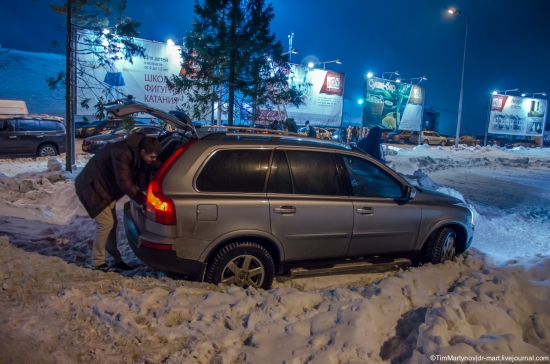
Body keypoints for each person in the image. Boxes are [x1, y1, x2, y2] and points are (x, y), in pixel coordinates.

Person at [75, 134, 162, 272]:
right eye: (152, 157)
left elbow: (145, 167)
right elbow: (125, 184)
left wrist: (161, 167)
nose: (153, 160)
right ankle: (97, 263)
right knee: (106, 224)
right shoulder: (123, 153)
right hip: (92, 188)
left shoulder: (137, 151)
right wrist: (144, 201)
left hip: (105, 189)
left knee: (111, 224)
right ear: (143, 151)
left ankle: (116, 260)